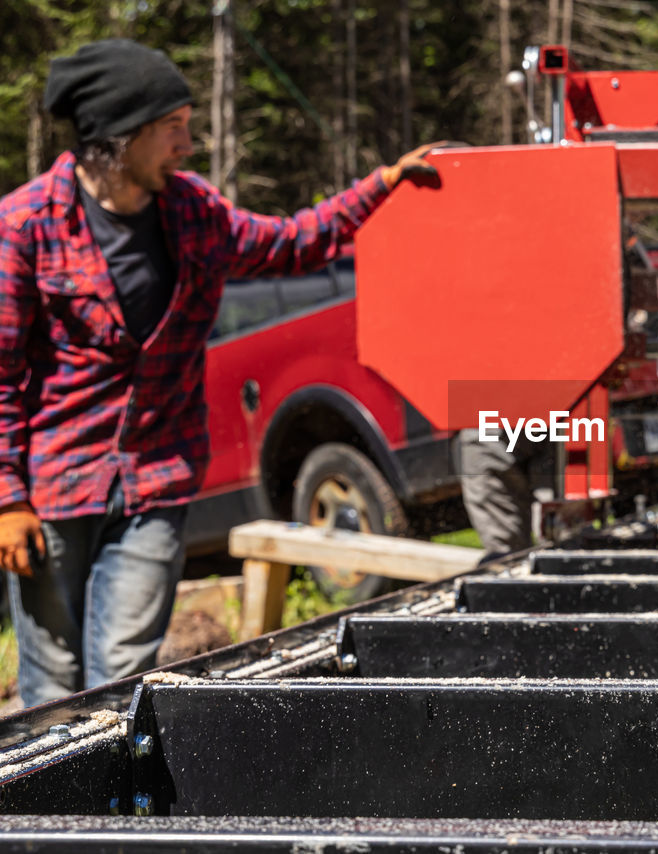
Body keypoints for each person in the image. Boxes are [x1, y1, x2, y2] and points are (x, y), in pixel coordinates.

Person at [0, 38, 439, 707]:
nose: (188, 142)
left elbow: (293, 244)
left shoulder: (194, 212)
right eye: (172, 127)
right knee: (49, 681)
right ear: (120, 138)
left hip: (156, 475)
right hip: (53, 484)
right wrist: (6, 499)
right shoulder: (26, 225)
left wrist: (380, 185)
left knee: (122, 673)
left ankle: (115, 810)